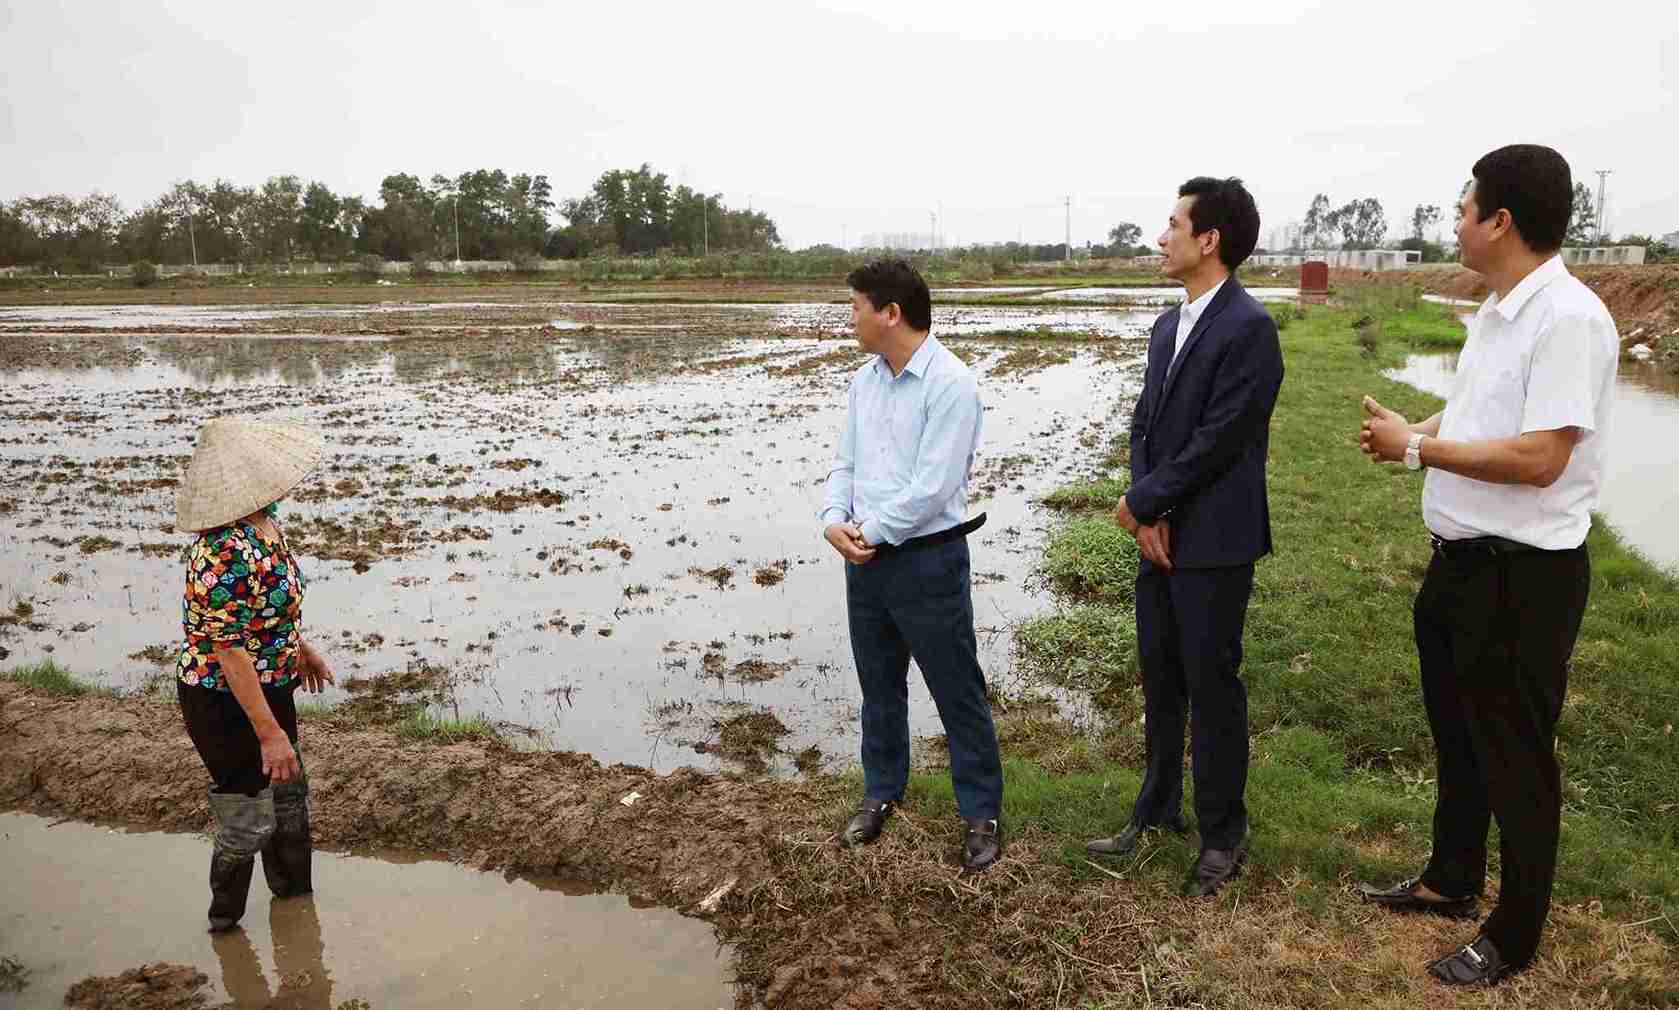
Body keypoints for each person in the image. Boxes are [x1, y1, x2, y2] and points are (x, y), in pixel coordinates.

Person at [1355, 144, 1618, 986]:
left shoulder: (1566, 318)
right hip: (1460, 566)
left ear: (1500, 220)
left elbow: (1541, 456)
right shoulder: (1502, 309)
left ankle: (1513, 933)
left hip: (1522, 577)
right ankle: (1450, 878)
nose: (1455, 220)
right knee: (1459, 738)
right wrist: (1421, 426)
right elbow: (1482, 414)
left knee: (1515, 755)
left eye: (1463, 206)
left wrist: (1416, 450)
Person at [1084, 177, 1284, 900]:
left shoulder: (1248, 328)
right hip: (1161, 534)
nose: (1160, 237)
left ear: (1209, 240)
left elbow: (1221, 439)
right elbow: (1146, 424)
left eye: (1172, 225)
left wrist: (1144, 499)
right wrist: (1147, 512)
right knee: (1160, 676)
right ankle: (1156, 807)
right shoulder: (1168, 326)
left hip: (1216, 540)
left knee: (1211, 684)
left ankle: (1222, 834)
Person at [820, 258, 1005, 872]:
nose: (850, 318)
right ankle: (881, 792)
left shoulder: (952, 384)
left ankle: (981, 811)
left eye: (855, 308)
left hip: (926, 561)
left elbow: (933, 486)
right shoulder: (863, 383)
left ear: (890, 313)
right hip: (865, 560)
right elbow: (844, 464)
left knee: (957, 689)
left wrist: (866, 531)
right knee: (878, 685)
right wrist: (832, 520)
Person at [174, 417, 336, 932]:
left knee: (289, 795)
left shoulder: (265, 522)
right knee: (246, 807)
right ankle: (226, 927)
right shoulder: (219, 550)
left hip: (271, 681)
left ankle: (295, 912)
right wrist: (269, 735)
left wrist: (299, 646)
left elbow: (267, 609)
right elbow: (230, 650)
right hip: (221, 697)